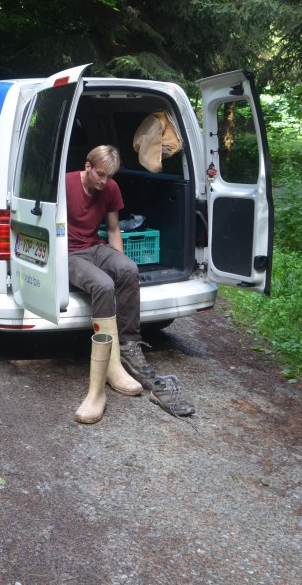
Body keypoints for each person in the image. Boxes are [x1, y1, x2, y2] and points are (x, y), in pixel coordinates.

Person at [68, 145, 194, 423]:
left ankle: (128, 345)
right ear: (87, 166)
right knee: (102, 285)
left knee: (127, 269)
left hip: (94, 246)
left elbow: (113, 230)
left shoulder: (111, 188)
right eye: (100, 174)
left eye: (109, 176)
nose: (104, 181)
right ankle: (109, 362)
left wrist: (119, 265)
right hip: (68, 253)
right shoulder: (65, 184)